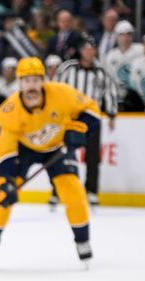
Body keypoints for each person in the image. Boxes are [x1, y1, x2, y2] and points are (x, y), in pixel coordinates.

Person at [0, 57, 101, 265]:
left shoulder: (62, 93)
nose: (32, 86)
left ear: (43, 80)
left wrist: (80, 128)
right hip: (24, 150)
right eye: (26, 81)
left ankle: (82, 241)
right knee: (3, 195)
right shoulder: (9, 112)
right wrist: (6, 179)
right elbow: (5, 149)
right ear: (19, 83)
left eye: (36, 80)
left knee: (73, 192)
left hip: (57, 147)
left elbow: (91, 109)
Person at [55, 36, 117, 207]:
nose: (89, 51)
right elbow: (56, 88)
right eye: (86, 48)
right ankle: (58, 190)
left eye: (92, 48)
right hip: (70, 116)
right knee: (61, 154)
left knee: (92, 156)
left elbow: (110, 91)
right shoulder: (68, 68)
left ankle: (91, 191)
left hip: (92, 118)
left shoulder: (101, 71)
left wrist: (111, 113)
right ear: (81, 50)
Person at [103, 21, 145, 112]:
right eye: (122, 34)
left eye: (128, 34)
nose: (125, 38)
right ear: (116, 36)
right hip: (118, 97)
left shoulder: (141, 50)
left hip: (138, 97)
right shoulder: (110, 56)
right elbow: (107, 79)